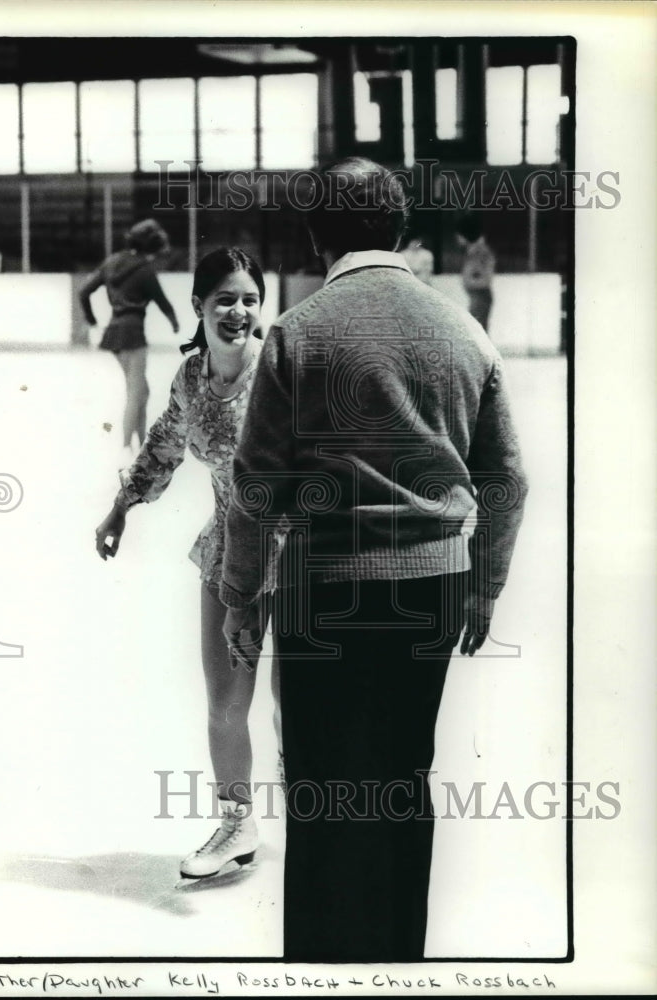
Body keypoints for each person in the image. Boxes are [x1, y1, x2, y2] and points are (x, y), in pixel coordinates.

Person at [220, 158, 529, 961]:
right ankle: (399, 961)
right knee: (401, 778)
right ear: (401, 232)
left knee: (323, 791)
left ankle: (323, 969)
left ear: (317, 235)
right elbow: (507, 476)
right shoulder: (465, 330)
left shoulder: (298, 330)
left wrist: (241, 592)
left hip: (325, 594)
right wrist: (485, 587)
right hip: (434, 587)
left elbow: (256, 482)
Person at [94, 247, 281, 883]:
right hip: (229, 548)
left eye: (250, 299)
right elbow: (166, 443)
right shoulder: (192, 377)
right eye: (225, 298)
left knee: (296, 703)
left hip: (303, 551)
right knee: (225, 700)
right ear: (199, 305)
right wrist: (122, 506)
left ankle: (324, 824)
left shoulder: (280, 372)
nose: (238, 311)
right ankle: (237, 824)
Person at [79, 219, 180, 452]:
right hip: (133, 333)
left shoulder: (111, 262)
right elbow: (162, 301)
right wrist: (174, 321)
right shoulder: (144, 270)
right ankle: (126, 447)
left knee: (141, 391)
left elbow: (84, 291)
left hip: (113, 332)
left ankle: (142, 442)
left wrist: (92, 320)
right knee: (136, 392)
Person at [456, 213, 496, 332]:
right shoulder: (472, 251)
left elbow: (486, 278)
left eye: (459, 235)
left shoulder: (479, 252)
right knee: (477, 331)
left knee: (477, 332)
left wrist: (469, 282)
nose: (457, 239)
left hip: (480, 296)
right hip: (477, 296)